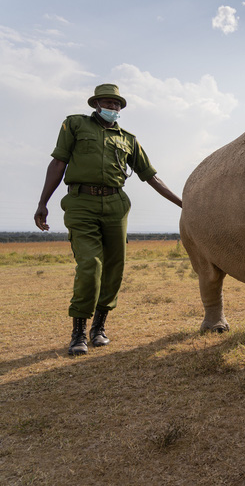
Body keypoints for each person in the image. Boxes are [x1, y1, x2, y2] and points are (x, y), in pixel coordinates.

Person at [34, 84, 183, 356]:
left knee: (115, 267)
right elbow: (58, 163)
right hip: (82, 202)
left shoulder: (128, 139)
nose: (112, 108)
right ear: (95, 104)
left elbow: (150, 176)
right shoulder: (75, 125)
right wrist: (43, 202)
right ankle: (78, 331)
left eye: (117, 105)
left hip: (117, 204)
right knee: (90, 264)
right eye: (107, 103)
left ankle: (99, 328)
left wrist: (183, 203)